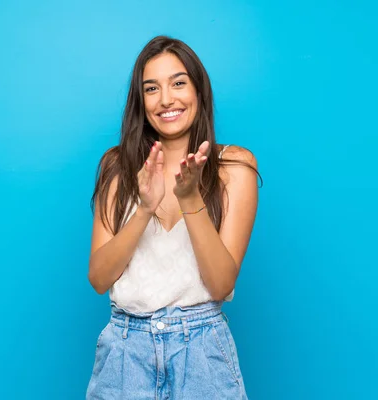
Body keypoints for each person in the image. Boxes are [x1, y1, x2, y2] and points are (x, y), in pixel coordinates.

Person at [86, 35, 261, 399]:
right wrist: (145, 208)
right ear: (141, 101)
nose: (166, 99)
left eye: (178, 83)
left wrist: (189, 198)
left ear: (199, 91)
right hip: (124, 354)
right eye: (152, 88)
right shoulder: (117, 166)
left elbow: (220, 285)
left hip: (202, 353)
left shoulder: (235, 168)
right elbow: (100, 279)